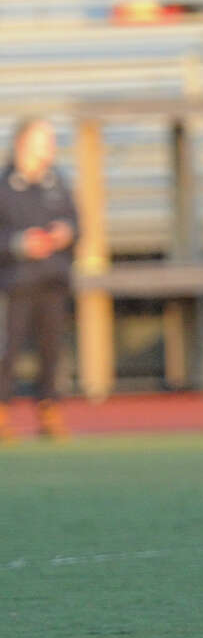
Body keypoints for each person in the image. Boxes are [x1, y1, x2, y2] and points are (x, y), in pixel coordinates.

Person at [0, 118, 78, 442]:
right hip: (14, 283)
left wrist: (65, 234)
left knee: (52, 351)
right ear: (23, 144)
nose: (51, 147)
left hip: (52, 280)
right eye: (44, 140)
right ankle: (3, 410)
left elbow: (78, 224)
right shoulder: (3, 185)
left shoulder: (57, 182)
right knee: (8, 350)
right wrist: (19, 244)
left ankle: (49, 410)